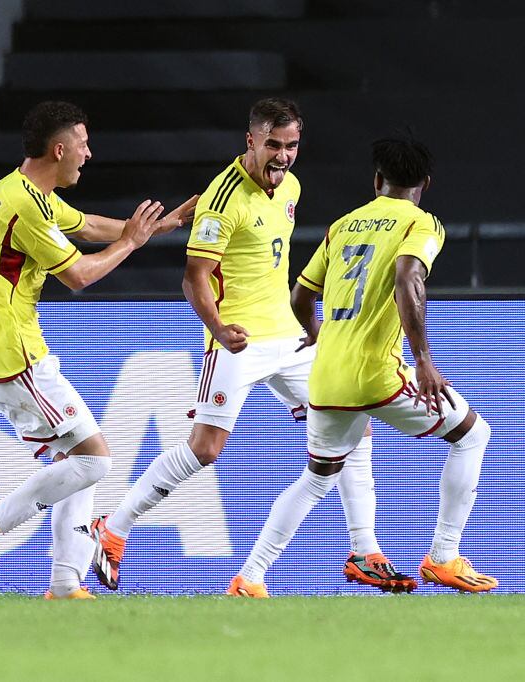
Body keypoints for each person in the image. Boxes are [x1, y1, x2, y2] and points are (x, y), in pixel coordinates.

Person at [91, 98, 416, 597]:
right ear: (251, 141)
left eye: (291, 146)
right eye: (273, 145)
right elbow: (194, 278)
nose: (283, 156)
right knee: (205, 450)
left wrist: (306, 324)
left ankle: (364, 550)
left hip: (290, 337)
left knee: (355, 425)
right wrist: (219, 329)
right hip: (237, 340)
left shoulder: (291, 186)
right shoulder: (224, 200)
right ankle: (113, 528)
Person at [229, 133, 496, 594]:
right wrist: (424, 360)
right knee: (473, 435)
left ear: (377, 180)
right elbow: (408, 278)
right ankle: (443, 556)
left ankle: (249, 578)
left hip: (326, 373)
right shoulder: (422, 224)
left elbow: (299, 297)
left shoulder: (342, 225)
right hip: (377, 374)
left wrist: (320, 335)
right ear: (425, 184)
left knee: (317, 478)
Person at [0, 100, 198, 600]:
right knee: (95, 461)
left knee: (76, 460)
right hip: (15, 354)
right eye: (83, 144)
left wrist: (156, 227)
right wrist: (130, 244)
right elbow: (79, 274)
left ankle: (66, 581)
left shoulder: (20, 191)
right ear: (59, 149)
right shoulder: (24, 205)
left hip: (11, 349)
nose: (89, 153)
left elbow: (85, 226)